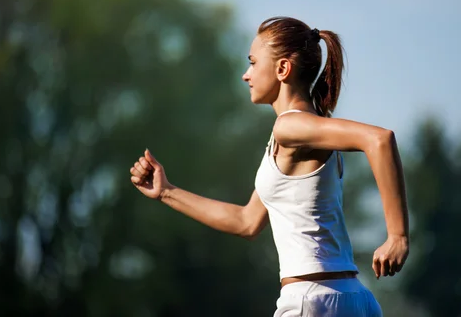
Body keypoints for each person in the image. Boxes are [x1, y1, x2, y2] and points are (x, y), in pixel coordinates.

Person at [129, 16, 409, 316]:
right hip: (354, 299)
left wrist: (398, 236)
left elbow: (380, 139)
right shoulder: (301, 131)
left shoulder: (289, 128)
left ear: (282, 69)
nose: (245, 75)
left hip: (312, 301)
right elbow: (246, 222)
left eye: (252, 62)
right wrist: (166, 192)